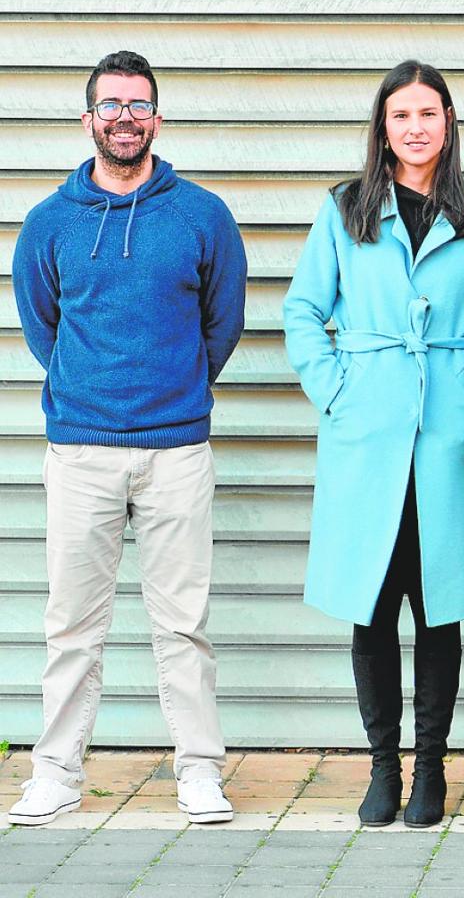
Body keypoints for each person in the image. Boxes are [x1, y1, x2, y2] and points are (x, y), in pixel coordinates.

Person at [8, 51, 247, 826]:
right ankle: (56, 772)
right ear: (87, 120)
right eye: (110, 105)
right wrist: (89, 390)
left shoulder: (201, 216)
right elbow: (45, 326)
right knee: (72, 621)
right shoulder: (49, 223)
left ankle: (201, 771)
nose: (124, 117)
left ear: (158, 118)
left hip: (177, 448)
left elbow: (223, 323)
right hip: (81, 447)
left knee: (183, 623)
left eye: (138, 104)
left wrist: (176, 389)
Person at [284, 60, 464, 829]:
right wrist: (337, 392)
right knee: (372, 607)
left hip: (447, 433)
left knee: (437, 606)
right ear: (382, 129)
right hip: (366, 434)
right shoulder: (345, 210)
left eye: (428, 113)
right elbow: (302, 311)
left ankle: (431, 768)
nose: (415, 127)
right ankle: (383, 766)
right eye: (400, 115)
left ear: (450, 122)